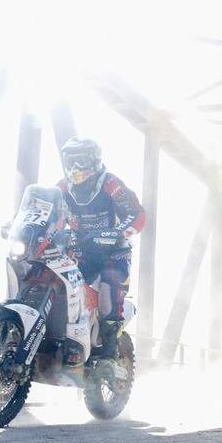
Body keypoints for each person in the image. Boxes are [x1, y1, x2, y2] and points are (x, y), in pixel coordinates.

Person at [56, 136, 145, 369]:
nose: (75, 167)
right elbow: (47, 210)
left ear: (94, 160)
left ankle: (108, 354)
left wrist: (117, 233)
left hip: (113, 252)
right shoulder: (63, 187)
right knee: (60, 284)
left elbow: (137, 214)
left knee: (108, 292)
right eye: (71, 160)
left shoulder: (110, 184)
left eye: (81, 160)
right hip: (81, 250)